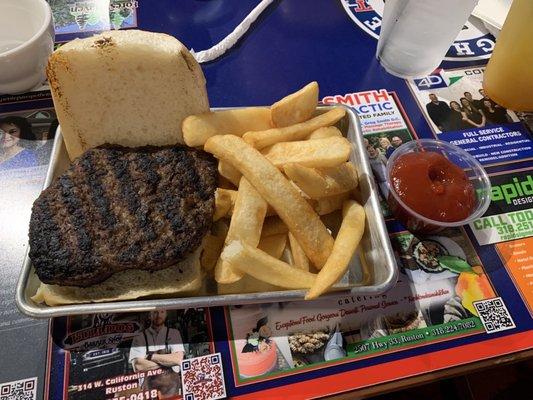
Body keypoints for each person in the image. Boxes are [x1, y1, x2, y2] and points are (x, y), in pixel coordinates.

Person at [129, 310, 185, 398]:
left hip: (172, 393)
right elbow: (137, 366)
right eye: (155, 312)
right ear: (149, 315)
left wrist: (150, 357)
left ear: (166, 314)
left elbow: (178, 359)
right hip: (150, 394)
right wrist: (168, 361)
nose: (158, 315)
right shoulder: (139, 337)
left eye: (162, 312)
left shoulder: (174, 333)